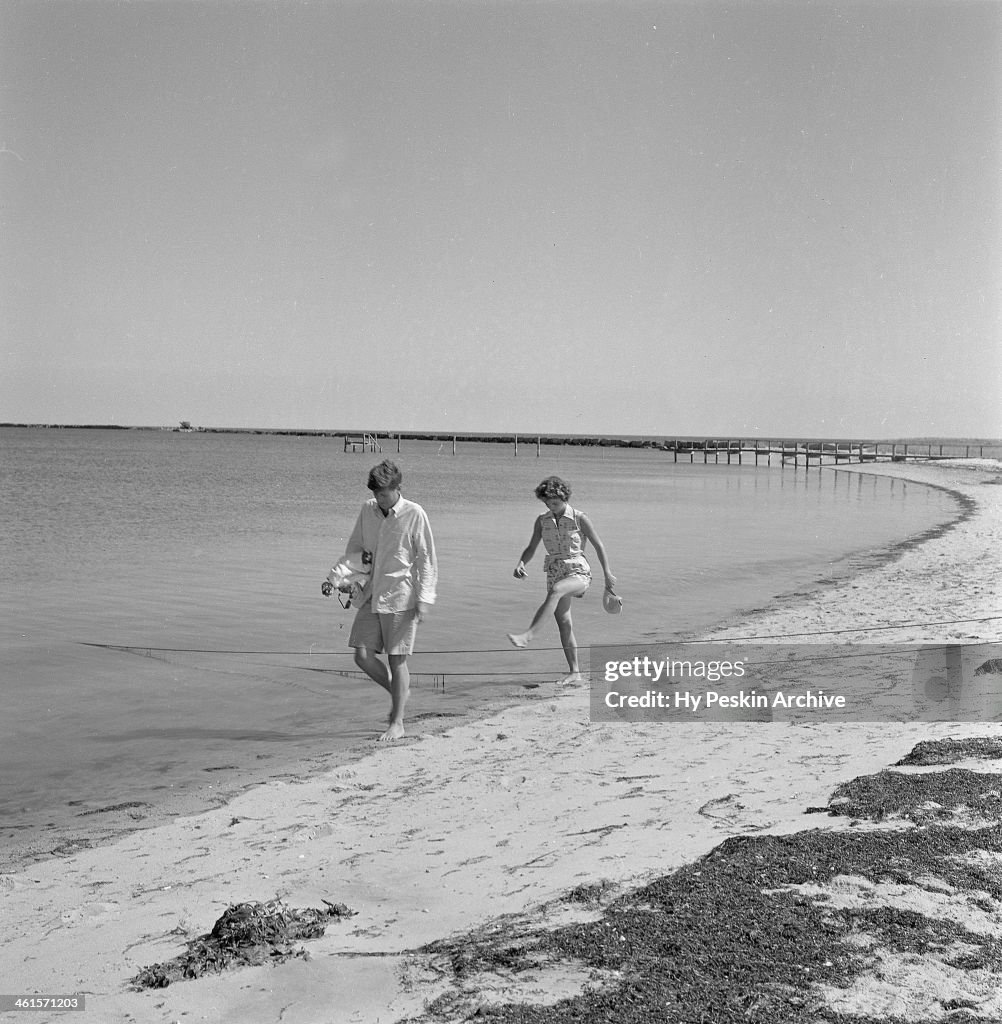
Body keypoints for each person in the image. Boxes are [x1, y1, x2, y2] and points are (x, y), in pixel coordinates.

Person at [322, 459, 437, 741]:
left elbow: (427, 559)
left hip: (402, 595)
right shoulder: (368, 510)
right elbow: (356, 549)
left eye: (384, 494)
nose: (379, 500)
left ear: (397, 488)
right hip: (372, 593)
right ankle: (400, 692)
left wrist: (425, 598)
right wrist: (336, 578)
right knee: (361, 655)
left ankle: (397, 722)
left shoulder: (415, 513)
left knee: (398, 661)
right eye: (376, 494)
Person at [507, 475, 616, 684]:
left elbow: (598, 545)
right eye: (548, 503)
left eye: (556, 502)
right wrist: (522, 563)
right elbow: (531, 547)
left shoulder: (579, 518)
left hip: (578, 571)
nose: (552, 506)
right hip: (554, 570)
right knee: (564, 623)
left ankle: (528, 635)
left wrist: (607, 574)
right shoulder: (542, 521)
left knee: (557, 590)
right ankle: (575, 672)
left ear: (565, 497)